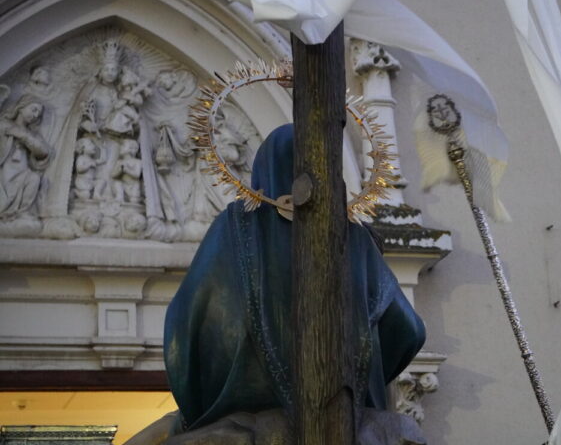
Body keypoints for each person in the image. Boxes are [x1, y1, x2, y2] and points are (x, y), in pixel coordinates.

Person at [164, 124, 425, 434]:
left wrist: (203, 399)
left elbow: (186, 330)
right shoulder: (355, 238)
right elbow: (409, 330)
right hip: (344, 421)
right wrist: (364, 366)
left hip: (243, 420)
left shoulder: (234, 228)